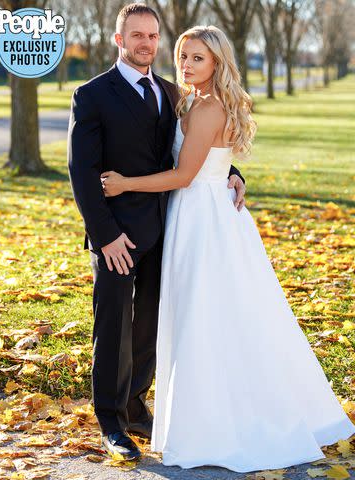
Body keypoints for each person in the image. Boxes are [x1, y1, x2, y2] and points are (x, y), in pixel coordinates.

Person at [101, 25, 355, 472]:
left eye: (197, 58)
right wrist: (232, 172)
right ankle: (194, 418)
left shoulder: (209, 107)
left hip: (204, 220)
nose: (186, 64)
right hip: (193, 214)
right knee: (198, 316)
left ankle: (220, 426)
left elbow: (183, 175)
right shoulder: (190, 100)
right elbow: (205, 162)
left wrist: (124, 185)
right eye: (183, 55)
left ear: (217, 62)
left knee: (209, 317)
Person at [67, 4, 245, 461]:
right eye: (136, 35)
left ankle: (135, 405)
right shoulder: (92, 95)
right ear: (119, 39)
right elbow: (82, 172)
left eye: (153, 35)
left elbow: (193, 151)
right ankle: (110, 421)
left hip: (166, 230)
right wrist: (104, 236)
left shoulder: (171, 92)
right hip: (116, 237)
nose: (146, 43)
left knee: (148, 327)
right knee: (113, 329)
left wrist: (234, 173)